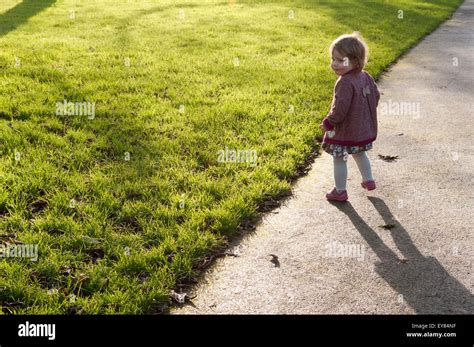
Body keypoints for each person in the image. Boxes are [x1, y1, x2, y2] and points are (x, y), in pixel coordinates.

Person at [319, 32, 380, 202]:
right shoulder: (365, 77)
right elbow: (375, 95)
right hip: (361, 129)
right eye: (333, 59)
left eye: (340, 60)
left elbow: (340, 109)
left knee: (340, 158)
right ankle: (368, 180)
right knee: (359, 153)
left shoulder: (344, 82)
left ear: (355, 61)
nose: (334, 64)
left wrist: (328, 123)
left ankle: (340, 191)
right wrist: (364, 114)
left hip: (344, 131)